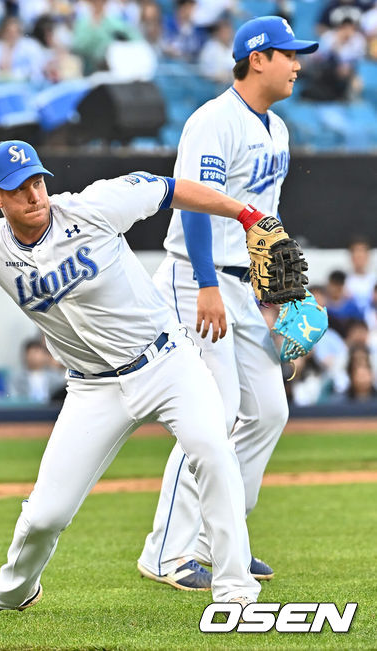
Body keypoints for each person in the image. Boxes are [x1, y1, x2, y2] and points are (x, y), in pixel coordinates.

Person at [0, 138, 274, 616]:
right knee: (46, 515)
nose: (33, 195)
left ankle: (235, 590)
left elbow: (171, 189)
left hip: (166, 361)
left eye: (36, 181)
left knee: (213, 451)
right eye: (18, 188)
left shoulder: (94, 206)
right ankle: (14, 590)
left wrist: (246, 215)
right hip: (93, 388)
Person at [137, 15, 319, 591]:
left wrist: (282, 301)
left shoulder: (279, 130)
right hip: (199, 278)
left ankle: (224, 540)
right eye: (289, 54)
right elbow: (191, 206)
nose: (298, 63)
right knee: (211, 418)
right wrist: (210, 284)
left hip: (247, 285)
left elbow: (268, 225)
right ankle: (166, 552)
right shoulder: (212, 122)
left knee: (268, 411)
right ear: (257, 57)